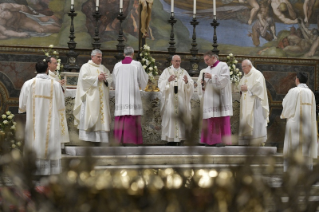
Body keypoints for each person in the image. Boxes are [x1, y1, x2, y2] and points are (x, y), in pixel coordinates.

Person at [18, 60, 69, 175]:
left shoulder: (28, 84)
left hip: (34, 122)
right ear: (47, 69)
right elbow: (61, 105)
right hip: (52, 122)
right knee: (50, 139)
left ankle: (34, 170)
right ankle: (51, 171)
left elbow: (22, 106)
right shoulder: (55, 85)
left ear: (36, 70)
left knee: (34, 140)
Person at [73, 49, 112, 144]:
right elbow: (83, 79)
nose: (100, 59)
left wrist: (106, 79)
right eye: (98, 57)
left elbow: (110, 78)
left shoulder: (103, 67)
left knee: (101, 118)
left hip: (101, 98)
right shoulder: (86, 67)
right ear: (92, 57)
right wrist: (96, 78)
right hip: (91, 98)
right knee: (90, 116)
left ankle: (101, 138)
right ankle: (88, 138)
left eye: (101, 57)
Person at [281, 72, 318, 171]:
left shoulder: (294, 91)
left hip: (295, 125)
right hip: (308, 126)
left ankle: (291, 172)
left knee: (293, 148)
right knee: (306, 148)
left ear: (297, 79)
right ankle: (306, 172)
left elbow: (287, 106)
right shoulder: (311, 93)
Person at [112, 46, 148, 145]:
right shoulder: (137, 65)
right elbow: (143, 80)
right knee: (132, 115)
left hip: (121, 97)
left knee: (121, 115)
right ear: (133, 54)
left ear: (124, 54)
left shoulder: (117, 66)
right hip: (133, 97)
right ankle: (132, 140)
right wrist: (142, 86)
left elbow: (114, 82)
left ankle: (119, 140)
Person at [197, 52, 233, 147]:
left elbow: (225, 81)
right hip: (210, 98)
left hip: (219, 98)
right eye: (204, 60)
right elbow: (205, 87)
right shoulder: (207, 69)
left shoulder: (223, 65)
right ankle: (210, 141)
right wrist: (203, 84)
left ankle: (221, 141)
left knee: (219, 118)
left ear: (213, 57)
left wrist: (212, 77)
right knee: (210, 118)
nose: (206, 62)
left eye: (207, 60)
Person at [158, 55, 194, 146]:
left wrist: (186, 82)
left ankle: (180, 139)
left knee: (180, 117)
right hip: (171, 99)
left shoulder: (184, 72)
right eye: (176, 61)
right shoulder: (167, 71)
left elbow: (190, 84)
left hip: (181, 99)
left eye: (179, 61)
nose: (178, 62)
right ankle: (171, 140)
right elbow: (160, 84)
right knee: (171, 117)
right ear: (172, 62)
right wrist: (167, 80)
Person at [238, 59, 269, 145]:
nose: (243, 69)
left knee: (256, 121)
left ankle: (257, 141)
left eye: (244, 67)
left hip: (256, 103)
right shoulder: (245, 76)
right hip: (246, 102)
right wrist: (240, 87)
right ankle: (246, 140)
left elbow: (259, 87)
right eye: (242, 67)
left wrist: (248, 88)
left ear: (250, 66)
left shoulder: (257, 74)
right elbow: (240, 85)